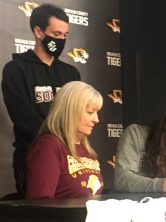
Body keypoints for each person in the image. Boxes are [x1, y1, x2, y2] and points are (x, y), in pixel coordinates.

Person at [1, 3, 81, 194]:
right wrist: (56, 143)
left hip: (71, 160)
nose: (61, 40)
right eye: (56, 34)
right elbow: (23, 119)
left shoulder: (71, 73)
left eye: (65, 35)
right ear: (38, 32)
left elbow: (79, 116)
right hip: (33, 156)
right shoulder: (16, 70)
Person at [25, 81, 104, 199]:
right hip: (61, 217)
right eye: (90, 112)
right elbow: (39, 205)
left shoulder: (87, 149)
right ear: (70, 111)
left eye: (96, 113)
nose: (96, 119)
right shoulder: (49, 145)